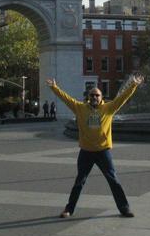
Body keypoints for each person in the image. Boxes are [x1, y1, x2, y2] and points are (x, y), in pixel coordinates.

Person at [48, 74, 143, 218]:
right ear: (88, 97)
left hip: (103, 152)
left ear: (101, 97)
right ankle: (69, 209)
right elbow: (66, 99)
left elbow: (122, 98)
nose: (94, 98)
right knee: (79, 182)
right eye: (92, 95)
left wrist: (133, 85)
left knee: (114, 181)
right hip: (86, 152)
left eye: (97, 96)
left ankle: (124, 208)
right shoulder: (80, 108)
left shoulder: (109, 108)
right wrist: (54, 88)